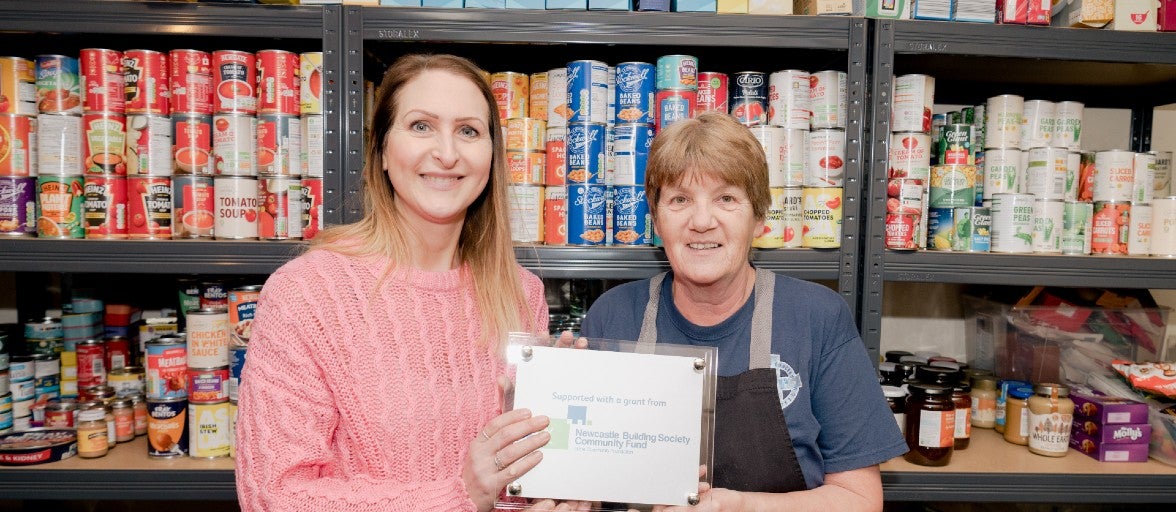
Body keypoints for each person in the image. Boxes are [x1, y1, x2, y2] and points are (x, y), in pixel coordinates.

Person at [236, 54, 585, 512]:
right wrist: (460, 497)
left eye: (469, 131)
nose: (446, 152)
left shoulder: (520, 293)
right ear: (381, 150)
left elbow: (516, 477)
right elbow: (273, 495)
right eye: (421, 126)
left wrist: (567, 434)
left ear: (492, 156)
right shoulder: (306, 293)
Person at [581, 112, 908, 511]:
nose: (702, 222)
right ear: (656, 218)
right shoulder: (613, 316)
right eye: (679, 199)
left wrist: (738, 507)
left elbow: (858, 499)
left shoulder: (816, 317)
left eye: (726, 198)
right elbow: (586, 486)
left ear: (759, 216)